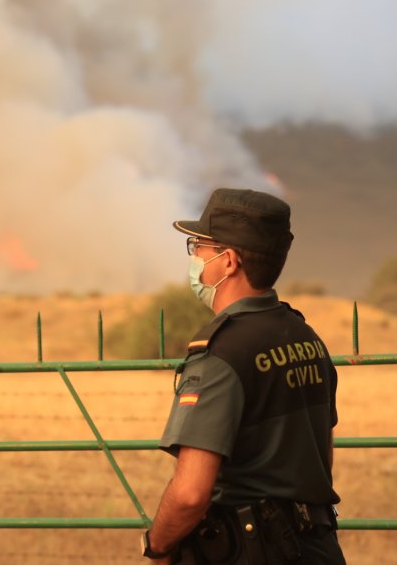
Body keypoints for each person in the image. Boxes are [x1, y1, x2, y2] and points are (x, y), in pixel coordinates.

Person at [143, 188, 345, 564]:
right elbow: (321, 456)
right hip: (318, 548)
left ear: (229, 260)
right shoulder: (307, 337)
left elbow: (190, 494)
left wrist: (156, 547)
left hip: (254, 551)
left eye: (199, 247)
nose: (195, 258)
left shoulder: (221, 354)